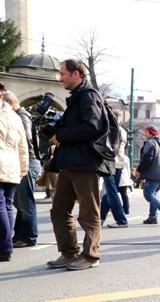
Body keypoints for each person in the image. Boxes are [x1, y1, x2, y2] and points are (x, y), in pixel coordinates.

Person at [47, 59, 114, 271]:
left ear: (76, 74)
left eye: (63, 73)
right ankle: (69, 253)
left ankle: (91, 255)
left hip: (85, 163)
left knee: (89, 212)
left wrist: (61, 136)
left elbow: (92, 127)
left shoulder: (89, 95)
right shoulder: (77, 97)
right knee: (58, 210)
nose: (60, 78)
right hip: (69, 162)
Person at [3, 91, 41, 247]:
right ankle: (20, 236)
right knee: (20, 202)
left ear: (11, 102)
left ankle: (29, 237)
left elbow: (26, 137)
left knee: (25, 202)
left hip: (28, 160)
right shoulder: (20, 114)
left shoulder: (21, 115)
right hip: (26, 161)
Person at [0, 93, 29, 261]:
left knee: (2, 207)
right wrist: (23, 168)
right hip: (12, 166)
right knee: (8, 206)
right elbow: (23, 145)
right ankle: (6, 245)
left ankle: (4, 247)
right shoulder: (14, 116)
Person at [136, 125, 160, 225]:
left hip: (153, 173)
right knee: (154, 195)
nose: (145, 134)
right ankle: (152, 217)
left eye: (146, 132)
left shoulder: (150, 142)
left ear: (151, 133)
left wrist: (139, 170)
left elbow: (147, 158)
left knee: (148, 194)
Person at [100, 112, 129, 228]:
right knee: (110, 193)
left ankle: (122, 220)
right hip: (119, 164)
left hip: (110, 164)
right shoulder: (123, 131)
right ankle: (100, 217)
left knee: (111, 193)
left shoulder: (109, 129)